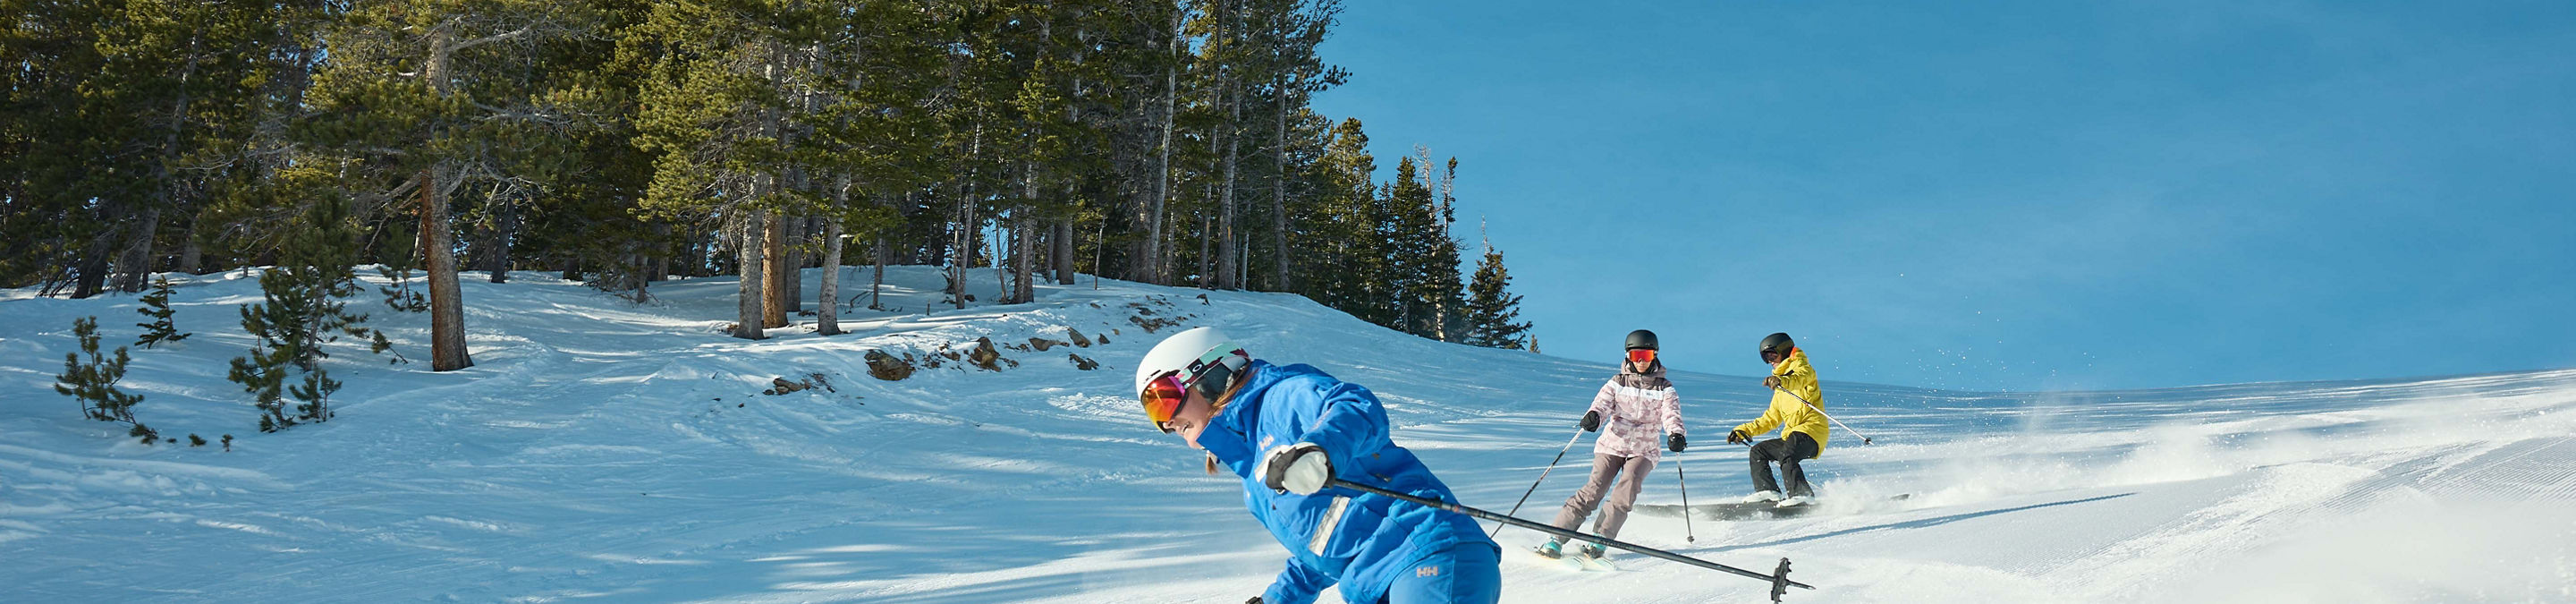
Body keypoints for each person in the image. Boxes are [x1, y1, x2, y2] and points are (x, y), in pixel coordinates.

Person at [1134, 327, 1502, 604]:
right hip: (1380, 579)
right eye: (1154, 413)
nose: (1165, 422)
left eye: (1162, 399)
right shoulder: (1254, 479)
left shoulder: (1280, 399)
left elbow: (1357, 406)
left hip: (1426, 552)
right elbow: (1325, 546)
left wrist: (1321, 449)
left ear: (1208, 374)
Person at [1535, 329, 1686, 560]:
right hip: (1612, 444)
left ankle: (1600, 538)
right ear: (1628, 356)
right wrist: (1594, 415)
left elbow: (1671, 414)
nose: (1642, 361)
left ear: (1654, 355)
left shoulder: (1665, 388)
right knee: (1593, 490)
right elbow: (1602, 403)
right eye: (1636, 356)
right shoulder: (1617, 382)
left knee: (1627, 490)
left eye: (1646, 355)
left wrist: (1675, 433)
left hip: (1644, 450)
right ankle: (1556, 538)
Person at [1726, 332, 1829, 507]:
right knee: (1759, 451)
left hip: (1812, 431)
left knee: (1787, 453)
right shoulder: (1780, 390)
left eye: (1772, 354)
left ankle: (1802, 495)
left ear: (1785, 350)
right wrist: (1744, 430)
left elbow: (1799, 379)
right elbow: (1770, 419)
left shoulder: (1804, 370)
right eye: (1765, 358)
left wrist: (1782, 380)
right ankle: (1768, 492)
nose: (1770, 361)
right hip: (1793, 436)